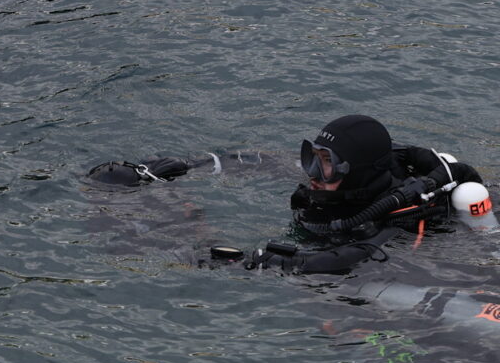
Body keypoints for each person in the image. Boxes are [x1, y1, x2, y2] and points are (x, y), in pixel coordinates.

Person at [87, 114, 487, 274]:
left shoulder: (391, 220)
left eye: (326, 164)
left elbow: (344, 259)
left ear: (358, 172)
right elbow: (262, 161)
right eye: (312, 158)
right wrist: (190, 165)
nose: (313, 174)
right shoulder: (332, 188)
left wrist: (216, 254)